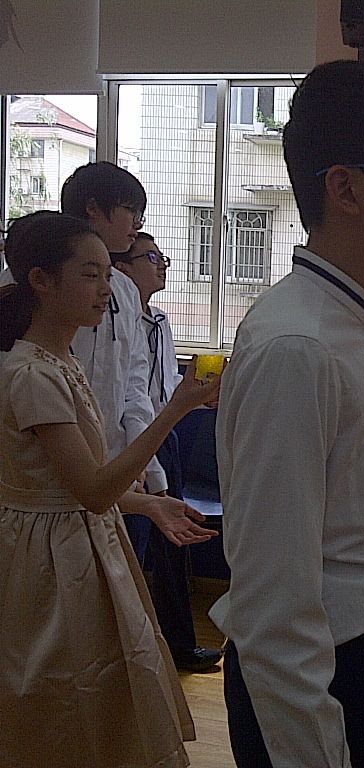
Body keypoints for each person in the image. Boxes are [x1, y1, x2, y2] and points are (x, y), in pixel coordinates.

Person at [209, 59, 364, 768]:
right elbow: (273, 609)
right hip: (322, 668)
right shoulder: (299, 346)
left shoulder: (356, 318)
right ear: (346, 188)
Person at [0, 212, 220, 767]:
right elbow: (92, 490)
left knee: (101, 695)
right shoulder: (32, 374)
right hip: (51, 560)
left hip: (81, 544)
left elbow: (75, 483)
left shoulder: (60, 361)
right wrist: (177, 409)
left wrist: (147, 503)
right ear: (41, 280)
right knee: (58, 700)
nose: (106, 290)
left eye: (107, 274)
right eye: (90, 275)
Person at [113, 232, 223, 672]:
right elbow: (132, 402)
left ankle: (178, 645)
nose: (161, 265)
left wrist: (199, 399)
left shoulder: (159, 321)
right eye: (151, 257)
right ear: (123, 268)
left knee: (172, 548)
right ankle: (132, 655)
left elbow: (163, 390)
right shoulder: (115, 324)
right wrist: (152, 472)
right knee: (134, 551)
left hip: (167, 436)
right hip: (136, 445)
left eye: (163, 257)